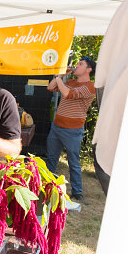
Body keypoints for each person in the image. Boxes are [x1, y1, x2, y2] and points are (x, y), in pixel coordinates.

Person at [46, 56, 96, 204]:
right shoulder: (70, 82)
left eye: (80, 64)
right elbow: (50, 87)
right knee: (52, 158)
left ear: (88, 69)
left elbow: (67, 94)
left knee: (73, 162)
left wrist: (58, 77)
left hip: (73, 131)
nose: (76, 66)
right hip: (57, 127)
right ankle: (47, 187)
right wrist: (61, 74)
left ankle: (77, 193)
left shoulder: (90, 86)